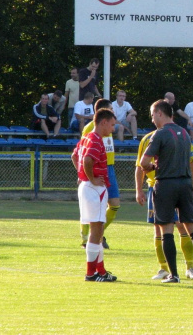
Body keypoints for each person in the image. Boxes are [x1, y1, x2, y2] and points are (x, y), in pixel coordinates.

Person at [139, 99, 193, 284]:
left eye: (152, 115)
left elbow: (143, 162)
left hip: (165, 185)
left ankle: (173, 275)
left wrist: (150, 167)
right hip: (185, 184)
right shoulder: (184, 133)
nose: (152, 120)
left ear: (159, 113)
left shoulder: (158, 134)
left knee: (166, 230)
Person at [135, 129, 193, 280]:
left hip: (175, 186)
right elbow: (140, 166)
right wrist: (139, 190)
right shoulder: (147, 139)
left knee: (182, 225)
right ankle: (163, 268)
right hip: (156, 187)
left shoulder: (180, 136)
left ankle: (190, 267)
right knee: (159, 230)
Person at [71, 108, 118, 282]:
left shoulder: (86, 137)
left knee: (97, 231)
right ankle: (91, 273)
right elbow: (87, 160)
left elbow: (74, 156)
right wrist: (91, 178)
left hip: (87, 187)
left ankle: (100, 271)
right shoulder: (96, 139)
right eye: (112, 125)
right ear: (103, 122)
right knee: (96, 230)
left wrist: (81, 176)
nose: (113, 129)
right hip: (93, 189)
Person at [79, 99, 121, 250]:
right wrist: (82, 174)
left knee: (114, 205)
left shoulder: (109, 127)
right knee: (90, 207)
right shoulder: (91, 128)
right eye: (111, 109)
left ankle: (98, 233)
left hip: (109, 167)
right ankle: (87, 238)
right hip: (95, 168)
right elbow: (82, 152)